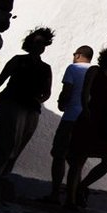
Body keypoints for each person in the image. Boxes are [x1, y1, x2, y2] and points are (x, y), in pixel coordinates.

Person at [65, 40, 107, 209]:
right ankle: (70, 199)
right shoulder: (95, 71)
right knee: (79, 159)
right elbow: (86, 92)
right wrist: (85, 109)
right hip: (92, 115)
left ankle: (82, 187)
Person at [0, 27, 54, 175]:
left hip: (31, 108)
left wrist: (38, 99)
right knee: (8, 140)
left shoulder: (45, 68)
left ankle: (3, 175)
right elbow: (0, 80)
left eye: (43, 44)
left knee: (19, 145)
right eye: (37, 42)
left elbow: (47, 92)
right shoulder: (18, 60)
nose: (40, 46)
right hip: (12, 103)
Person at [40, 45, 93, 204]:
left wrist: (62, 103)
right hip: (85, 120)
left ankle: (55, 194)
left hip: (70, 117)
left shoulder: (73, 68)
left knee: (59, 154)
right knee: (76, 161)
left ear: (78, 55)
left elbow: (67, 89)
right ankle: (75, 195)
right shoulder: (94, 72)